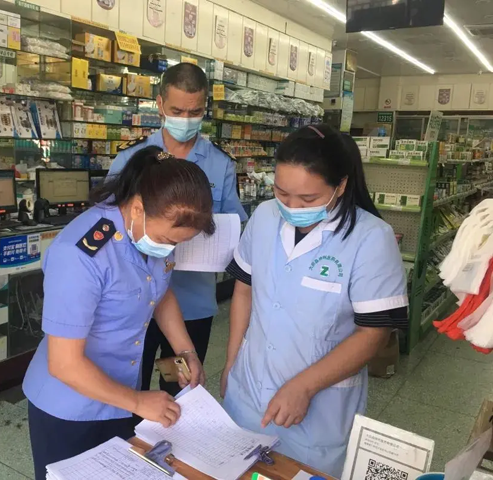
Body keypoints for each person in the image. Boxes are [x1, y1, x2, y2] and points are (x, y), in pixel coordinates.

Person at [221, 124, 408, 477]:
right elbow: (244, 289)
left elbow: (373, 334)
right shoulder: (264, 216)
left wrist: (304, 387)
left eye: (308, 199)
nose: (291, 206)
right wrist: (231, 362)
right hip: (247, 392)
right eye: (282, 192)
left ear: (341, 185)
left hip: (318, 417)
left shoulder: (371, 238)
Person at [22, 146, 215, 479]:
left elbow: (160, 292)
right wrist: (138, 402)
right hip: (69, 409)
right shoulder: (81, 255)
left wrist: (186, 351)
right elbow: (64, 363)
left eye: (177, 244)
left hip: (121, 395)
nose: (170, 249)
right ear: (138, 208)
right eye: (167, 240)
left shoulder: (149, 230)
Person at [108, 62, 247, 396]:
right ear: (160, 105)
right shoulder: (132, 159)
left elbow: (233, 225)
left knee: (178, 388)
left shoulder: (219, 164)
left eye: (194, 112)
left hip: (191, 303)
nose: (186, 119)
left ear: (205, 108)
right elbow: (110, 224)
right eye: (177, 111)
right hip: (136, 299)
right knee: (131, 387)